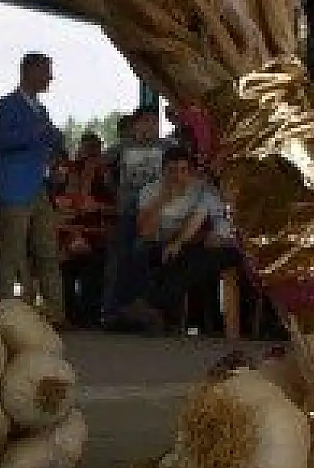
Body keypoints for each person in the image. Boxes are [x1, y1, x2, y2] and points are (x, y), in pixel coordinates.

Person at [129, 147, 247, 335]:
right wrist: (164, 201)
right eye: (172, 170)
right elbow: (195, 219)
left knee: (193, 258)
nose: (177, 176)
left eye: (183, 170)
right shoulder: (207, 193)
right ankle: (161, 315)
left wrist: (225, 239)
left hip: (241, 247)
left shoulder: (209, 188)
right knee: (177, 256)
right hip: (190, 242)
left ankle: (150, 305)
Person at [0, 53, 68, 324]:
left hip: (38, 188)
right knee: (12, 254)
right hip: (12, 190)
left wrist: (54, 142)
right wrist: (35, 132)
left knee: (47, 251)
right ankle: (4, 314)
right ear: (29, 71)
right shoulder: (6, 104)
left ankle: (55, 313)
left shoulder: (40, 109)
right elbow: (0, 140)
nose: (50, 77)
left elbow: (50, 139)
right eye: (46, 71)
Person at [103, 106, 164, 326]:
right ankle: (110, 312)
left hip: (156, 213)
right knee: (119, 258)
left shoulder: (166, 147)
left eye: (155, 123)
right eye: (146, 122)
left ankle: (142, 310)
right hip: (127, 212)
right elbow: (96, 163)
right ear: (135, 124)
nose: (151, 127)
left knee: (142, 253)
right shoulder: (122, 147)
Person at [57, 132, 114, 328]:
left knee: (94, 270)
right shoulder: (66, 174)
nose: (88, 155)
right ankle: (67, 314)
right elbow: (56, 205)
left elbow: (117, 207)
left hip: (97, 236)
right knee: (63, 268)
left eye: (93, 150)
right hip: (67, 234)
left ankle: (90, 317)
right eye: (85, 149)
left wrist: (97, 206)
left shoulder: (108, 177)